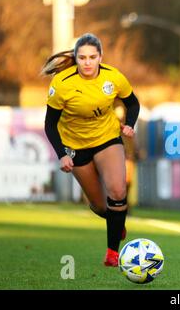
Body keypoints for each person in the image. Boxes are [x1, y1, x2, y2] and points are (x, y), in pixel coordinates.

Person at [42, 33, 140, 267]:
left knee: (117, 192)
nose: (87, 62)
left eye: (92, 57)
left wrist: (130, 124)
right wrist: (62, 154)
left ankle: (112, 254)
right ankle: (116, 222)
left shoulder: (113, 77)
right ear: (76, 58)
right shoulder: (62, 84)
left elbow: (132, 102)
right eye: (82, 57)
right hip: (75, 146)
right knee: (99, 205)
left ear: (100, 57)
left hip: (107, 138)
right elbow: (50, 124)